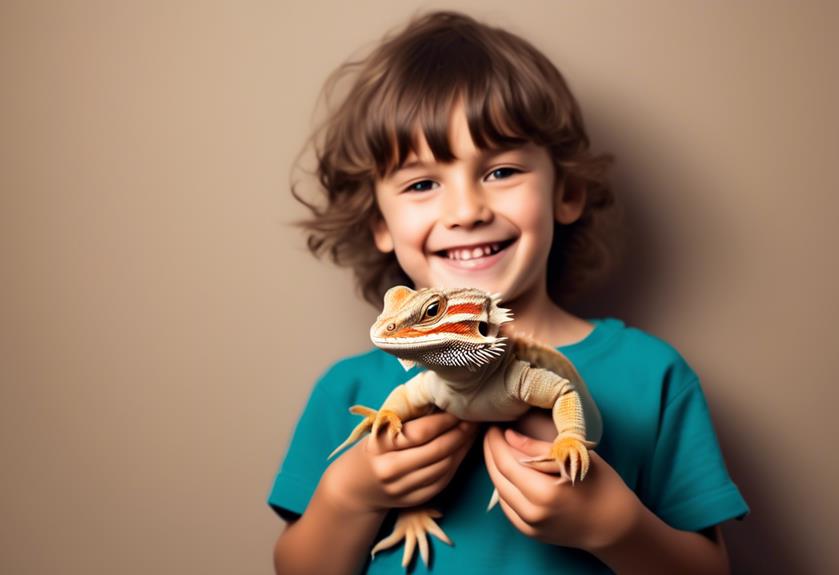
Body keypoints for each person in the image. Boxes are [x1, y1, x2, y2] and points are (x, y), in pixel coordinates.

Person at [270, 10, 748, 574]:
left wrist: (614, 527)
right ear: (379, 223)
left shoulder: (654, 376)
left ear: (565, 193)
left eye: (501, 172)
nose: (467, 211)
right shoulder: (349, 390)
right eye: (422, 184)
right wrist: (351, 496)